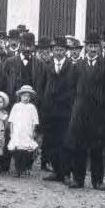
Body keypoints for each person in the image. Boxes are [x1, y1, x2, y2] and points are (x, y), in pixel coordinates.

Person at [65, 32, 105, 190]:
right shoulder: (77, 66)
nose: (92, 49)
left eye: (95, 46)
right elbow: (71, 89)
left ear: (99, 48)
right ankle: (78, 179)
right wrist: (75, 108)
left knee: (97, 149)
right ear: (85, 48)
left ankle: (97, 181)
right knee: (79, 147)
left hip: (98, 112)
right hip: (80, 111)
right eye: (90, 46)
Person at [41, 36, 77, 183]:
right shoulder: (47, 66)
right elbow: (42, 86)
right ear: (52, 51)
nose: (59, 52)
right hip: (50, 111)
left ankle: (66, 173)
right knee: (51, 141)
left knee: (65, 142)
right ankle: (56, 171)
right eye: (56, 49)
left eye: (62, 50)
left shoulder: (72, 67)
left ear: (66, 51)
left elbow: (74, 89)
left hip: (66, 111)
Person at [8, 86, 40, 177]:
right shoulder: (16, 106)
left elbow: (35, 121)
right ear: (20, 96)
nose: (26, 98)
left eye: (28, 96)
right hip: (17, 131)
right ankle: (18, 169)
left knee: (26, 151)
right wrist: (11, 132)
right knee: (17, 150)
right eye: (24, 95)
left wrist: (33, 132)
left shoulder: (32, 107)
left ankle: (24, 168)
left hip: (27, 131)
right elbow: (11, 120)